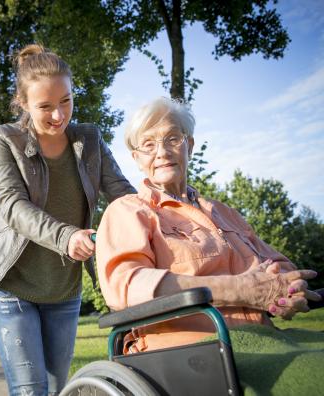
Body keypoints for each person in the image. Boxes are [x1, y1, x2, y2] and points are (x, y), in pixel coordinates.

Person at [95, 97, 323, 393]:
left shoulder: (224, 211)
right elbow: (127, 286)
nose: (162, 152)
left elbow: (281, 266)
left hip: (267, 337)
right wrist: (241, 290)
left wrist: (286, 291)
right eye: (148, 145)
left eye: (172, 138)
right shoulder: (129, 211)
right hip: (191, 350)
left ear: (189, 145)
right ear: (137, 158)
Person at [0, 44, 135, 396]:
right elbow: (13, 206)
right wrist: (66, 237)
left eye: (66, 101)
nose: (59, 115)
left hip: (62, 289)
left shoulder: (89, 140)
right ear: (24, 103)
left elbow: (123, 194)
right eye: (45, 106)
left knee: (58, 389)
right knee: (32, 391)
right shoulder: (4, 140)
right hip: (10, 285)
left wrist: (167, 207)